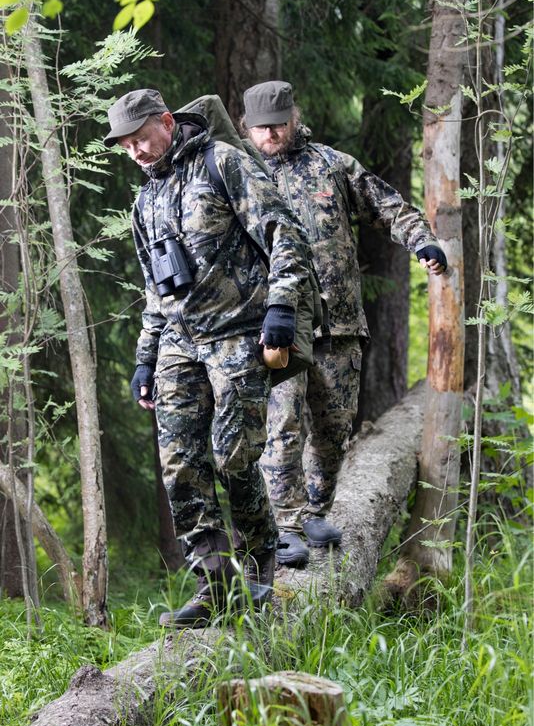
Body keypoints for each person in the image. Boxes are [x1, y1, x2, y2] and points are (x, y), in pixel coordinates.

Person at [104, 88, 312, 626]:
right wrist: (145, 359)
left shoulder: (221, 163)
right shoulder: (144, 200)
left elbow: (285, 233)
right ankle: (214, 584)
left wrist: (282, 310)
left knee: (234, 454)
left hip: (240, 331)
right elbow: (156, 290)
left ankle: (261, 564)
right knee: (179, 464)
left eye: (141, 138)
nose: (136, 151)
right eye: (125, 145)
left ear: (167, 122)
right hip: (178, 340)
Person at [241, 80, 447, 568]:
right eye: (261, 128)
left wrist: (422, 241)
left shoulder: (331, 165)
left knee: (333, 427)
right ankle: (285, 525)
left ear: (294, 119)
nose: (271, 135)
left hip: (339, 324)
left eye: (278, 125)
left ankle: (315, 509)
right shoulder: (240, 175)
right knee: (283, 422)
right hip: (279, 326)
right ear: (247, 130)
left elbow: (386, 205)